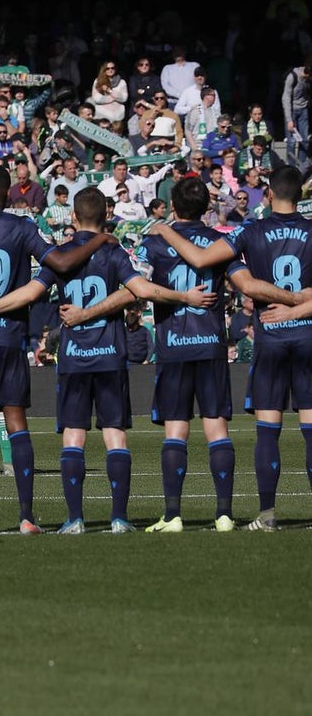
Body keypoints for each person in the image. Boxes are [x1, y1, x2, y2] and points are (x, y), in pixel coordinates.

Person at [0, 187, 215, 534]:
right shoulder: (114, 252)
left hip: (74, 359)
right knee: (115, 437)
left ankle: (75, 519)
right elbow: (141, 290)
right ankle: (120, 519)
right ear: (106, 217)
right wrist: (183, 296)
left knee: (74, 439)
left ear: (74, 218)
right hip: (111, 356)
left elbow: (32, 293)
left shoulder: (61, 254)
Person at [0, 165, 117, 536]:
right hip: (8, 337)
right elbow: (61, 263)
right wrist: (100, 239)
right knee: (16, 424)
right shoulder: (21, 227)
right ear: (10, 193)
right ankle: (28, 518)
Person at [149, 165, 312, 532]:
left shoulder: (251, 230)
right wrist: (300, 305)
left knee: (268, 429)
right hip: (307, 338)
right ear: (300, 194)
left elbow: (207, 260)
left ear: (267, 194)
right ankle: (243, 513)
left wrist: (165, 230)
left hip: (270, 339)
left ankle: (266, 514)